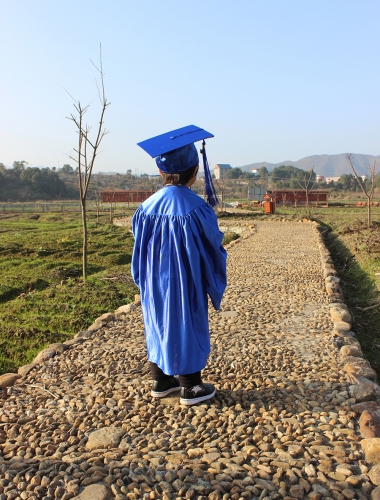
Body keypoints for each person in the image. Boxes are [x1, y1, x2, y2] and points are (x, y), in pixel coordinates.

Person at [131, 125, 227, 405]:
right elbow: (212, 247)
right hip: (186, 280)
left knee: (157, 320)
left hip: (154, 280)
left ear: (161, 172)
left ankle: (161, 380)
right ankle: (191, 387)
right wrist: (213, 274)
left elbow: (139, 248)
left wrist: (145, 277)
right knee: (187, 321)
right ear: (195, 173)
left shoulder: (145, 208)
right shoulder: (197, 209)